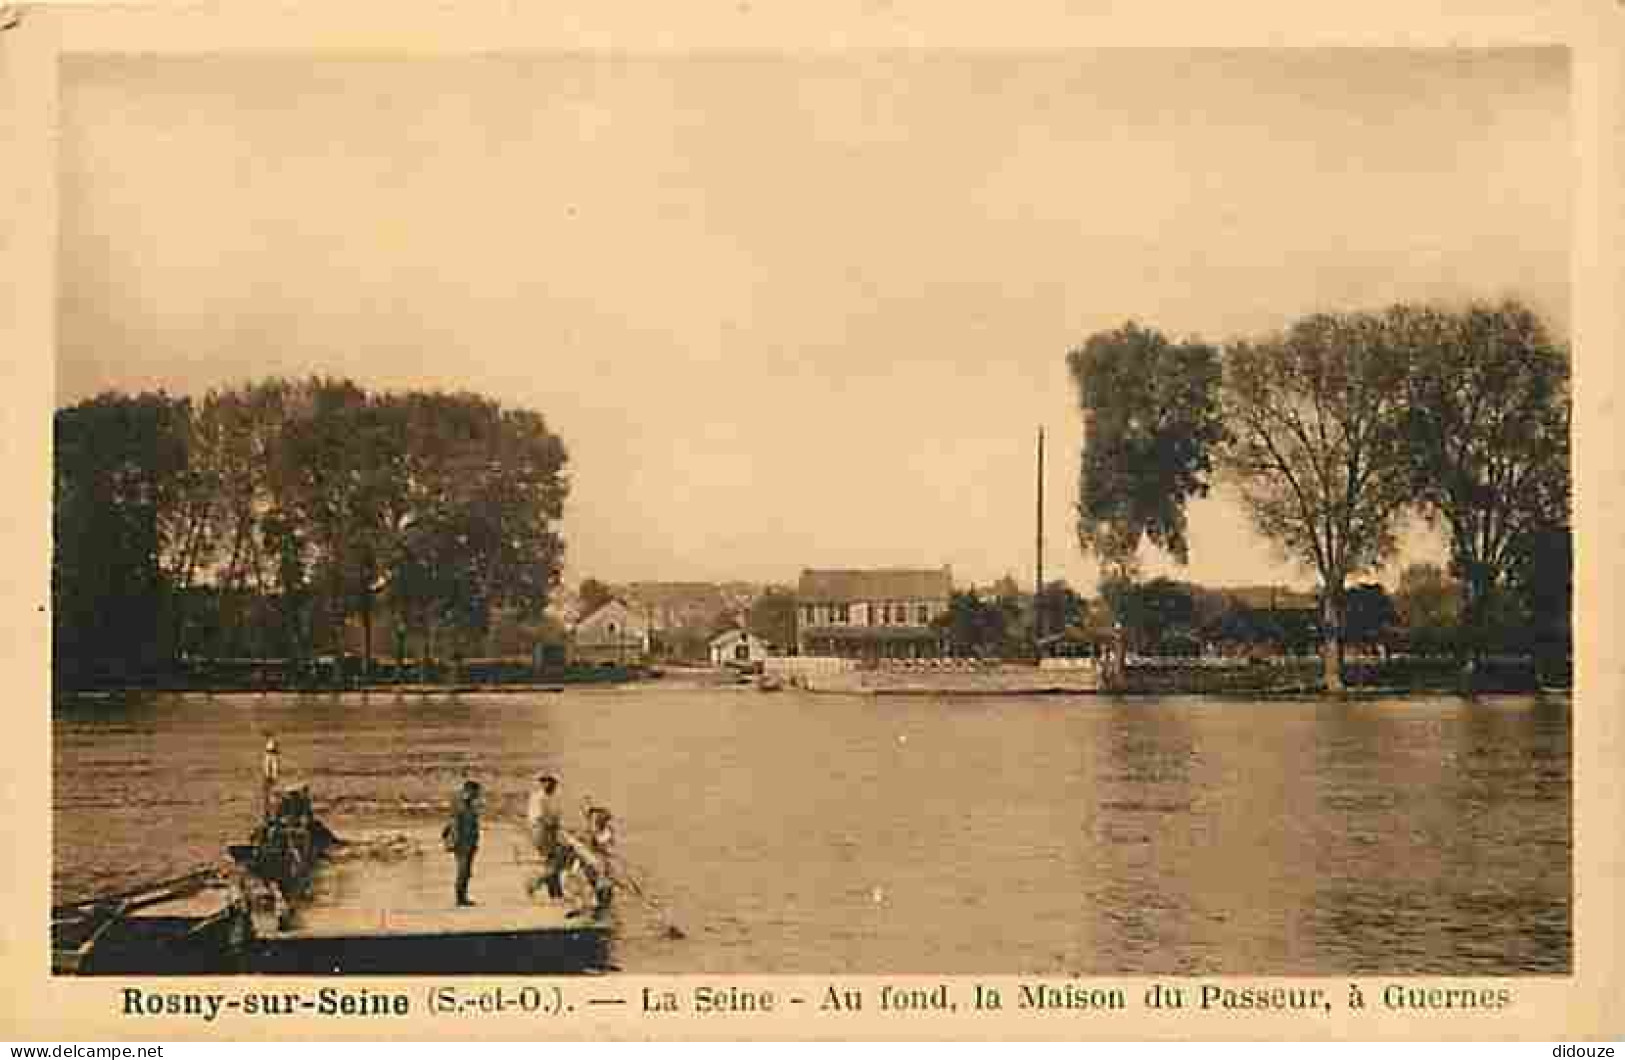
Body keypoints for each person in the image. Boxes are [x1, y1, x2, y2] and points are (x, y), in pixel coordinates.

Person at [525, 772, 567, 899]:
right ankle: (536, 883)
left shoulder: (555, 797)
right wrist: (553, 824)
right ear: (542, 783)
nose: (549, 784)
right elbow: (540, 818)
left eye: (551, 782)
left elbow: (557, 815)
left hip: (552, 831)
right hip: (541, 832)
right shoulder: (538, 798)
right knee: (554, 861)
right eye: (545, 781)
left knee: (554, 861)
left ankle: (555, 891)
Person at [446, 779, 482, 907]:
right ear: (469, 791)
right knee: (463, 871)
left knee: (466, 871)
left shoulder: (469, 805)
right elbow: (454, 825)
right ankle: (460, 898)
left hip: (469, 843)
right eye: (476, 792)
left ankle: (462, 897)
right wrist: (454, 843)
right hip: (462, 844)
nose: (477, 795)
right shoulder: (460, 806)